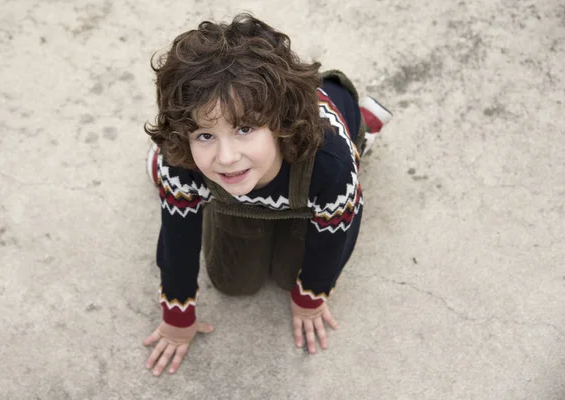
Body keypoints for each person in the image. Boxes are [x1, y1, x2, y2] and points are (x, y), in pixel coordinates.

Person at [142, 13, 392, 376]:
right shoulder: (183, 160)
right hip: (247, 190)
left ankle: (361, 131)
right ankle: (173, 175)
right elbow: (176, 240)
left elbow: (339, 234)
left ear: (280, 124)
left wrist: (310, 299)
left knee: (294, 278)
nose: (226, 157)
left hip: (315, 165)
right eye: (205, 136)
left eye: (245, 128)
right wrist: (177, 317)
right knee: (232, 281)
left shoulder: (330, 163)